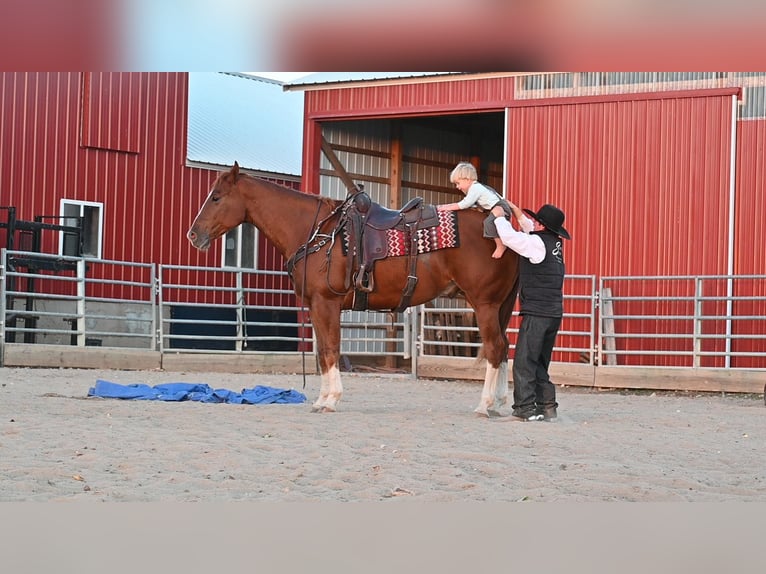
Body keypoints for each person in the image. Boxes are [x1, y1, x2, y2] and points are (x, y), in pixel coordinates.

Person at [490, 200, 570, 422]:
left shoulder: (536, 244)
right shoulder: (553, 245)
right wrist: (516, 212)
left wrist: (498, 217)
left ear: (542, 224)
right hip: (553, 311)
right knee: (540, 363)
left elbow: (512, 238)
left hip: (537, 311)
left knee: (525, 361)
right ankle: (547, 407)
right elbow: (529, 233)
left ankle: (525, 410)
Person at [437, 162, 512, 259]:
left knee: (488, 223)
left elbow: (464, 204)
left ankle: (500, 245)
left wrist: (446, 207)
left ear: (467, 179)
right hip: (494, 207)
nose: (457, 187)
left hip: (500, 208)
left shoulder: (475, 188)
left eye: (458, 183)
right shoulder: (477, 187)